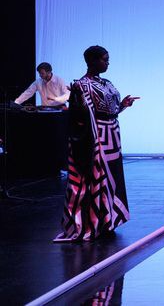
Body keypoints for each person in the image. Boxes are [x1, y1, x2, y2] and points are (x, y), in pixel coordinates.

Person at [54, 46, 139, 242]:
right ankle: (91, 223)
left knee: (112, 177)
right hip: (96, 135)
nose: (107, 63)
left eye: (107, 59)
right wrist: (78, 99)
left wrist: (123, 105)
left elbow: (112, 110)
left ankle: (107, 221)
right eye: (104, 59)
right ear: (92, 61)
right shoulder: (82, 85)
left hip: (112, 134)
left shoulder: (106, 83)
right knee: (95, 177)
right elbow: (79, 117)